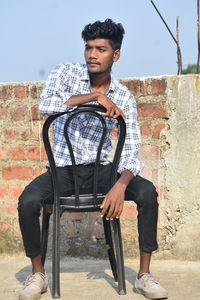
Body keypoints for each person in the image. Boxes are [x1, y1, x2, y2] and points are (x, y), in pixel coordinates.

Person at [18, 19, 168, 300]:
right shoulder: (66, 73)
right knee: (27, 201)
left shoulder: (124, 96)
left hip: (102, 172)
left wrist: (120, 185)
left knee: (147, 192)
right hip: (62, 172)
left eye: (100, 49)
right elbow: (46, 105)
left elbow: (131, 149)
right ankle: (38, 274)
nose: (91, 55)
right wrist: (95, 98)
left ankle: (144, 276)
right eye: (88, 48)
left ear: (116, 55)